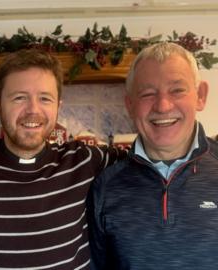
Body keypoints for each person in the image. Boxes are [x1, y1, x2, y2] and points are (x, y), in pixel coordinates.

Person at [0, 49, 125, 269]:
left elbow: (152, 159)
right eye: (19, 98)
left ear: (58, 106)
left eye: (45, 98)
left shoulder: (84, 161)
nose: (33, 110)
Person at [88, 42, 218, 270]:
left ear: (200, 96)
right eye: (148, 93)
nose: (163, 105)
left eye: (177, 90)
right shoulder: (106, 186)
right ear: (130, 105)